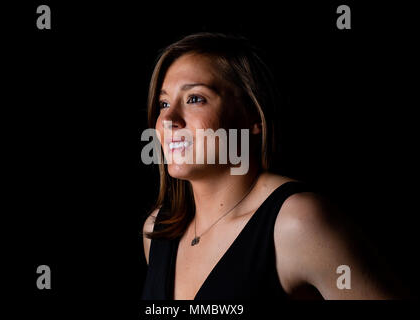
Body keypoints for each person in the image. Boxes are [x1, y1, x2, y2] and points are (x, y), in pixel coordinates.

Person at [141, 32, 403, 300]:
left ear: (254, 114)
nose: (168, 119)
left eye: (195, 98)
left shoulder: (298, 222)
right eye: (163, 103)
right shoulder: (158, 231)